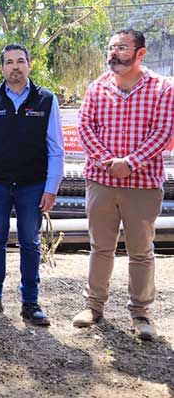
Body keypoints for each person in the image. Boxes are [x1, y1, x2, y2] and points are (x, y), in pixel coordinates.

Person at [73, 28, 174, 340]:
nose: (113, 53)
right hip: (101, 181)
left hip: (142, 184)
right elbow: (85, 128)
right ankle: (94, 306)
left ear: (140, 53)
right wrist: (107, 162)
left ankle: (142, 313)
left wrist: (129, 163)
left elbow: (163, 132)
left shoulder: (162, 89)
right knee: (100, 247)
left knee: (141, 251)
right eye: (111, 47)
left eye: (121, 47)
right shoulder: (97, 88)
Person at [0, 43, 64, 325]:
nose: (15, 67)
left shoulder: (46, 100)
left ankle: (30, 304)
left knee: (30, 243)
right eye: (9, 62)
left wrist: (51, 188)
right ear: (2, 68)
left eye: (20, 61)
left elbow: (56, 148)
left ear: (29, 65)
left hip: (32, 186)